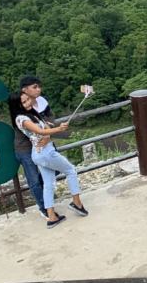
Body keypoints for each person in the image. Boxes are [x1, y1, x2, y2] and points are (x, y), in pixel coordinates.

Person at [13, 91, 89, 227]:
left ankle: (52, 217)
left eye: (28, 99)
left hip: (40, 152)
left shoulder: (33, 114)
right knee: (71, 170)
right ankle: (77, 203)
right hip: (45, 153)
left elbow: (46, 129)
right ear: (17, 105)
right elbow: (40, 131)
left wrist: (49, 134)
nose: (28, 103)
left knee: (48, 184)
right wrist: (58, 129)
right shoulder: (21, 118)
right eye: (23, 102)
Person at [11, 75, 48, 215]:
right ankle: (44, 208)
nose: (38, 90)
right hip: (26, 148)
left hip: (41, 145)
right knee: (34, 180)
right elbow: (36, 129)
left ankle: (47, 202)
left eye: (38, 86)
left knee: (51, 171)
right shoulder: (20, 109)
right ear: (24, 90)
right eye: (35, 87)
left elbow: (49, 119)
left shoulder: (40, 103)